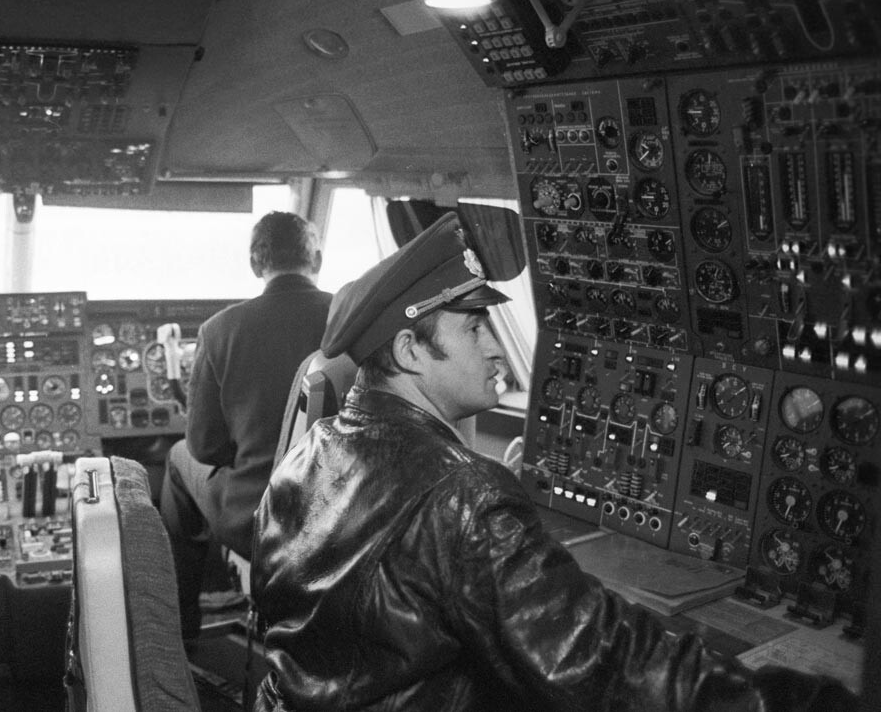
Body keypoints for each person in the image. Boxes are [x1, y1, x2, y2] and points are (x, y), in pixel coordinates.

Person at [251, 212, 858, 712]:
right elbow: (602, 663)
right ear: (411, 350)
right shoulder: (459, 497)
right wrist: (802, 702)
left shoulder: (307, 455)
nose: (496, 348)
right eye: (474, 327)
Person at [160, 211, 332, 640]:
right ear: (317, 260)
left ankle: (182, 631)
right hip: (339, 512)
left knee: (178, 459)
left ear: (257, 264)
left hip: (258, 518)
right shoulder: (349, 319)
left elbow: (204, 447)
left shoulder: (220, 330)